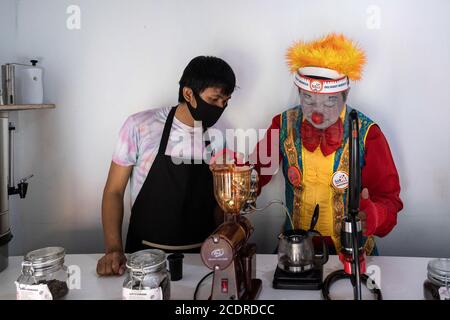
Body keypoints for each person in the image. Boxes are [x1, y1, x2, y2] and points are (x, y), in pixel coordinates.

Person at [252, 33, 403, 255]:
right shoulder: (282, 124)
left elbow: (389, 199)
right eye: (308, 98)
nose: (317, 111)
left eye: (330, 100)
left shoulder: (367, 133)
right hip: (294, 251)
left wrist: (373, 215)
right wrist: (234, 176)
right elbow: (256, 172)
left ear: (345, 94)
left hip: (352, 253)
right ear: (299, 93)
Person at [97, 56, 236, 276]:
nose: (220, 107)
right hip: (144, 257)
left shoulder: (218, 136)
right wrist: (113, 249)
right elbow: (114, 191)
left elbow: (218, 203)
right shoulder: (140, 125)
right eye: (215, 99)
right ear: (189, 94)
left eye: (225, 102)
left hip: (202, 260)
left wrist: (231, 225)